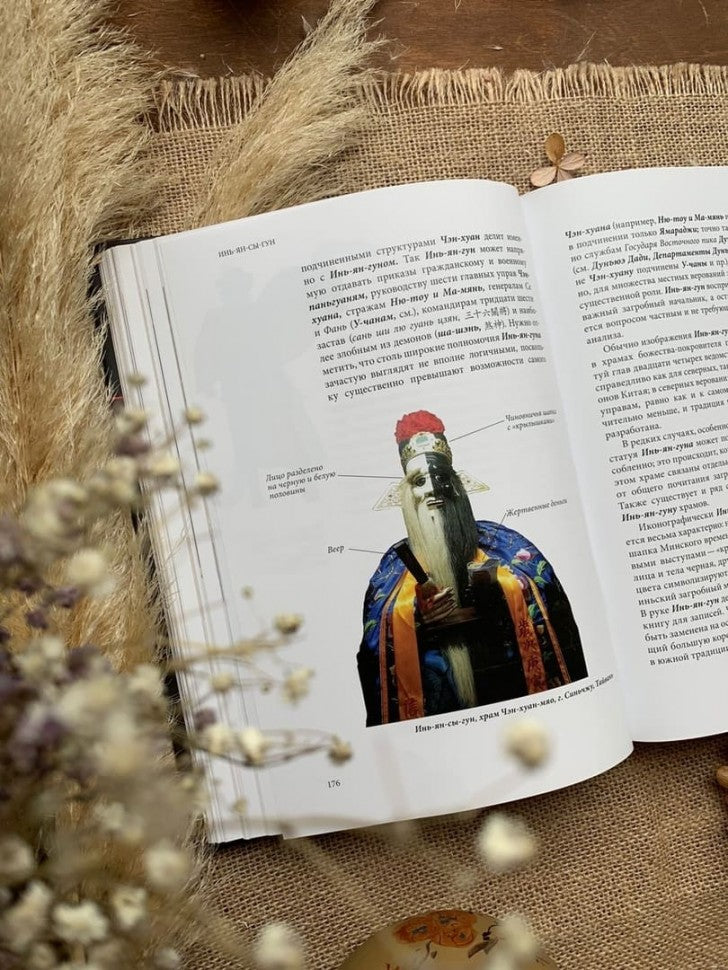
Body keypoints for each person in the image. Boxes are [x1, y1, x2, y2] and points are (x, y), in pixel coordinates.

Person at [357, 410, 587, 726]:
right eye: (420, 481)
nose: (433, 489)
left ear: (457, 485)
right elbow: (374, 646)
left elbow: (544, 593)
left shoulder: (500, 540)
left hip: (508, 686)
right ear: (407, 495)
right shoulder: (394, 564)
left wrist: (499, 594)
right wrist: (416, 617)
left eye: (441, 477)